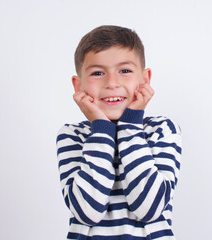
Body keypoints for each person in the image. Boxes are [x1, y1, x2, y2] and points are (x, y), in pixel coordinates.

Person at [56, 25, 182, 240]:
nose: (112, 83)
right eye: (97, 73)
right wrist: (101, 129)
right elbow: (87, 212)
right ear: (78, 85)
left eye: (125, 71)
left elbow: (149, 209)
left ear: (145, 79)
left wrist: (131, 124)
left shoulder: (161, 130)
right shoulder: (72, 135)